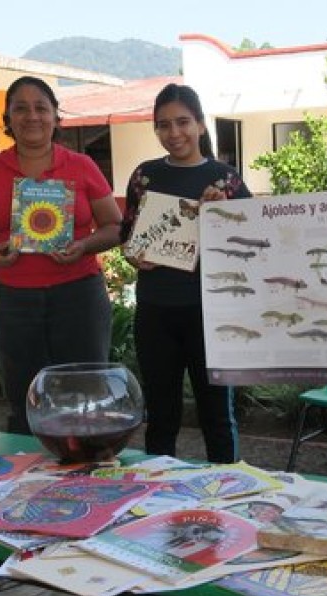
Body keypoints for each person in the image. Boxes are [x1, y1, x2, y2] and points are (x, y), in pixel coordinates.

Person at [0, 76, 122, 434]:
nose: (32, 116)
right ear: (8, 118)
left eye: (41, 108)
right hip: (13, 300)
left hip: (78, 295)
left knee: (86, 397)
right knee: (25, 399)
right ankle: (29, 480)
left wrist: (83, 246)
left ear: (55, 116)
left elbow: (114, 226)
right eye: (21, 108)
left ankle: (88, 478)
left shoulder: (82, 166)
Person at [120, 83, 252, 463]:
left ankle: (229, 489)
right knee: (161, 416)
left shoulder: (225, 181)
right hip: (155, 311)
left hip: (210, 314)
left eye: (182, 122)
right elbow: (128, 236)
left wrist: (224, 213)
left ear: (200, 125)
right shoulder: (144, 176)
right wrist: (135, 257)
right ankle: (159, 495)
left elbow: (255, 242)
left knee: (217, 417)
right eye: (163, 125)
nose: (174, 133)